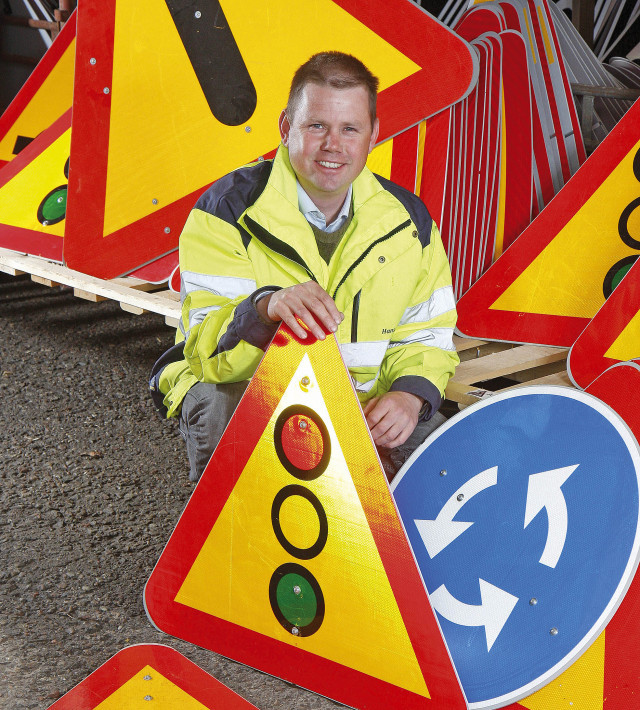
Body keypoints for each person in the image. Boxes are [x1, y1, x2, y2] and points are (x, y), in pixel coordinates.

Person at [150, 51, 459, 482]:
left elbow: (428, 333)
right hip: (257, 392)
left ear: (372, 136)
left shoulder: (409, 222)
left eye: (350, 129)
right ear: (285, 128)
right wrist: (263, 309)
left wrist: (410, 395)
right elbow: (207, 352)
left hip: (362, 400)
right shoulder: (227, 210)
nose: (333, 145)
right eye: (317, 126)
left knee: (451, 465)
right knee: (222, 404)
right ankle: (236, 539)